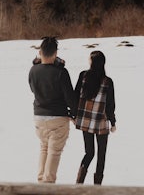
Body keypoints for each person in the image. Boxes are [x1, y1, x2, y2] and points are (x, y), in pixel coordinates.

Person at [28, 36, 75, 183]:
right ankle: (47, 186)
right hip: (58, 118)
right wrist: (74, 114)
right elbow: (70, 98)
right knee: (54, 152)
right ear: (55, 54)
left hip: (39, 117)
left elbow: (33, 90)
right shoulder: (61, 72)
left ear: (40, 52)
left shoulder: (33, 70)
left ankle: (41, 182)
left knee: (44, 148)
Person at [74, 50, 116, 185]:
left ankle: (78, 184)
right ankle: (97, 188)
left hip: (85, 121)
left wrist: (73, 115)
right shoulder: (108, 81)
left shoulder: (83, 76)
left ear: (92, 62)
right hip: (101, 122)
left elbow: (75, 97)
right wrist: (113, 122)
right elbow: (110, 104)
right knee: (101, 155)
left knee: (89, 152)